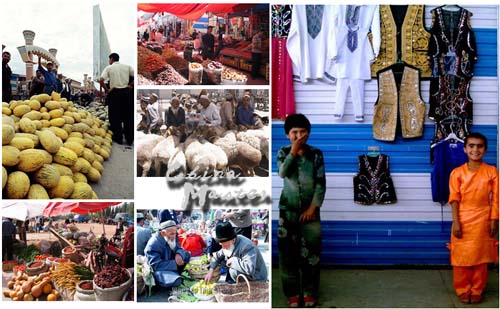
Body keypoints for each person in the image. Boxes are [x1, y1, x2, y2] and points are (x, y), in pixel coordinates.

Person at [277, 113, 326, 308]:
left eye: (302, 132)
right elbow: (282, 173)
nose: (298, 136)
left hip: (311, 213)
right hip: (287, 212)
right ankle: (292, 294)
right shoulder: (282, 152)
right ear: (288, 134)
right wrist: (293, 151)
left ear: (309, 133)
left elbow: (321, 184)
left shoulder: (316, 154)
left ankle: (309, 292)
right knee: (287, 254)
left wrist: (313, 208)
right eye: (294, 132)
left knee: (311, 254)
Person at [448, 132, 498, 304]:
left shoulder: (492, 172)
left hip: (483, 218)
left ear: (485, 149)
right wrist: (456, 222)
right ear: (465, 149)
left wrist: (494, 220)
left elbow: (497, 198)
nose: (475, 149)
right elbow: (454, 199)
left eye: (479, 146)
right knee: (461, 258)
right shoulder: (457, 173)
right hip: (462, 217)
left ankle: (477, 289)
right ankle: (462, 289)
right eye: (471, 146)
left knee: (480, 258)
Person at [99, 52, 134, 145]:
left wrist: (107, 90)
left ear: (111, 59)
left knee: (115, 117)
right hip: (126, 93)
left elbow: (101, 80)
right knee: (128, 117)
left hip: (114, 93)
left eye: (109, 59)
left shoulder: (109, 68)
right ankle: (130, 139)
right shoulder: (127, 67)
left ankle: (118, 138)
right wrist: (130, 85)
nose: (109, 61)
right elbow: (135, 77)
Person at [144, 220, 190, 288]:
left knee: (187, 254)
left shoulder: (173, 235)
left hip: (172, 262)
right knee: (177, 281)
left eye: (175, 233)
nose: (174, 236)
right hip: (160, 270)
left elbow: (179, 248)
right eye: (172, 234)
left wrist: (179, 254)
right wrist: (175, 263)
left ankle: (176, 272)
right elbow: (156, 265)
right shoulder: (153, 244)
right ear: (163, 233)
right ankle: (174, 275)